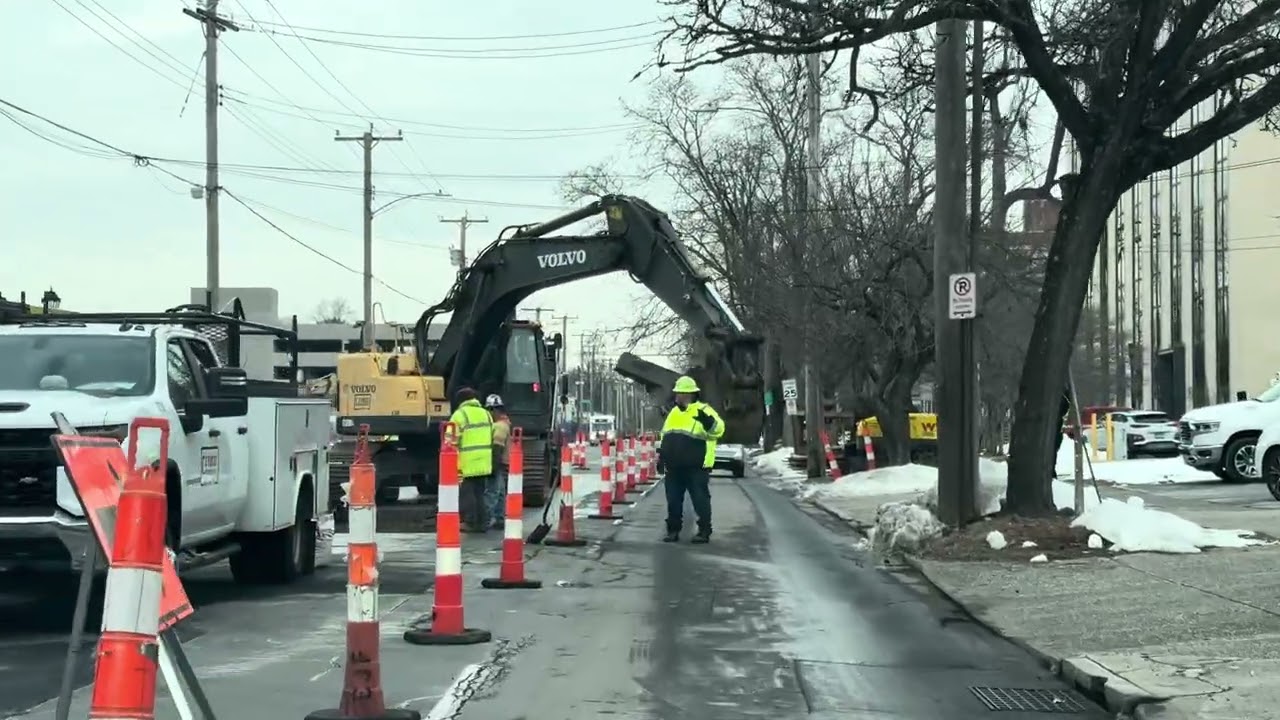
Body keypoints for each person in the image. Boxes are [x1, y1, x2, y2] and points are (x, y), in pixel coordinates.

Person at [656, 375, 725, 544]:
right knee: (673, 501)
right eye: (679, 394)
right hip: (674, 467)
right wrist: (661, 457)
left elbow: (719, 430)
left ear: (694, 395)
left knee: (700, 500)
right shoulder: (673, 413)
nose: (681, 397)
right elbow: (665, 436)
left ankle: (704, 530)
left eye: (685, 394)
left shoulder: (704, 410)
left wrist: (709, 423)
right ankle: (673, 531)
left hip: (696, 466)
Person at [448, 387, 494, 532]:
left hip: (467, 461)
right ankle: (483, 522)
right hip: (484, 461)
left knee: (468, 494)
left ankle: (470, 521)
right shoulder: (486, 414)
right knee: (479, 494)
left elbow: (450, 441)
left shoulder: (459, 415)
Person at [485, 393, 512, 530]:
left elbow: (497, 447)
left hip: (498, 462)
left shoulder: (499, 426)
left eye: (489, 410)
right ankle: (499, 518)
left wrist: (492, 466)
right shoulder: (504, 424)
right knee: (500, 491)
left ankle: (486, 519)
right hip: (503, 462)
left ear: (493, 410)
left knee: (492, 492)